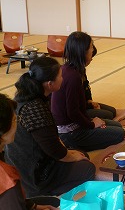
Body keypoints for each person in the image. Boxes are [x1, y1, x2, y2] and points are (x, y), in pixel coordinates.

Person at [4, 57, 95, 200]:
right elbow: (53, 149)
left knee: (81, 154)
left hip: (26, 162)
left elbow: (51, 140)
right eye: (60, 76)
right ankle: (43, 193)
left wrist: (70, 154)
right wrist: (70, 156)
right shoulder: (35, 108)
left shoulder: (28, 95)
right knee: (87, 167)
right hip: (34, 174)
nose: (63, 78)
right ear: (50, 84)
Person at [51, 32, 125, 151]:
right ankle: (74, 146)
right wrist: (91, 124)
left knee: (116, 125)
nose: (93, 50)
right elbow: (72, 112)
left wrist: (89, 105)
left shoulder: (69, 69)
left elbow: (76, 106)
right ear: (82, 51)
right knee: (119, 133)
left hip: (75, 122)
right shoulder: (72, 76)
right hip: (69, 132)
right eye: (91, 46)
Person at [1, 93, 59, 210]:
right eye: (14, 120)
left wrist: (34, 206)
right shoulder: (7, 179)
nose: (17, 123)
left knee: (52, 201)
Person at [83, 44, 125, 121]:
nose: (91, 59)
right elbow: (75, 107)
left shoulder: (81, 70)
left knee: (113, 111)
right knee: (109, 115)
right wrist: (89, 104)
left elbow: (86, 88)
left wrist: (90, 101)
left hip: (86, 104)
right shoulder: (74, 76)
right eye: (91, 55)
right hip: (81, 110)